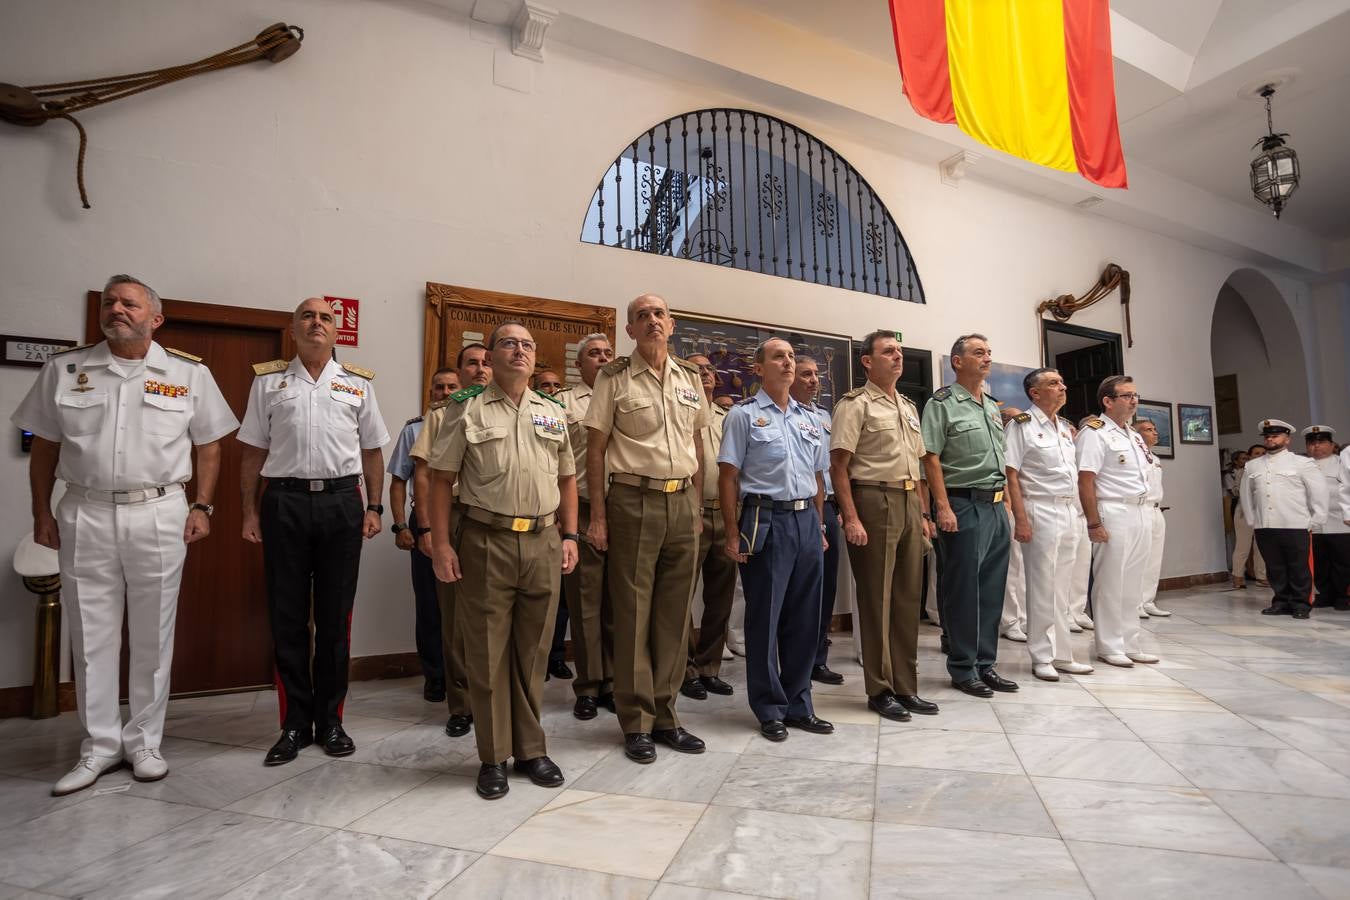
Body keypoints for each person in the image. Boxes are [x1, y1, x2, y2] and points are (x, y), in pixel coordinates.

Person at [14, 275, 237, 795]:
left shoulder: (186, 373)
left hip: (158, 510)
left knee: (153, 632)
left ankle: (144, 742)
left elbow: (209, 445)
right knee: (91, 634)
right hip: (84, 512)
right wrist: (40, 513)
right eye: (111, 302)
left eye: (129, 303)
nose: (117, 309)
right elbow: (45, 446)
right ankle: (98, 747)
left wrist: (203, 505)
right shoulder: (65, 370)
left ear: (155, 318)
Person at [426, 321, 579, 799]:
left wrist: (569, 534)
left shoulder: (551, 412)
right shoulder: (465, 408)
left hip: (542, 540)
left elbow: (568, 478)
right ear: (490, 356)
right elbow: (438, 479)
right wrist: (442, 544)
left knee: (534, 652)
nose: (520, 350)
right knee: (488, 653)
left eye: (528, 345)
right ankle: (493, 757)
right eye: (509, 343)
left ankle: (531, 749)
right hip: (485, 539)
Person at [239, 297, 390, 765]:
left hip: (343, 503)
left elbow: (372, 452)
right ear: (293, 328)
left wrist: (376, 507)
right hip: (283, 501)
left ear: (337, 331)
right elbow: (251, 452)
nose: (317, 322)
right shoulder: (268, 383)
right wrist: (248, 511)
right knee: (287, 618)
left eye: (326, 317)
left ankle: (331, 721)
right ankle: (293, 725)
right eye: (308, 316)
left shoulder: (357, 385)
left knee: (334, 619)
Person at [584, 294, 710, 764]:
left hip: (681, 502)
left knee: (675, 618)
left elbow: (696, 441)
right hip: (633, 499)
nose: (652, 320)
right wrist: (598, 516)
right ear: (630, 331)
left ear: (671, 325)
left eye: (659, 314)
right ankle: (635, 722)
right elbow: (596, 449)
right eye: (642, 316)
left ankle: (666, 715)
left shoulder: (689, 378)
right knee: (633, 614)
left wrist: (695, 505)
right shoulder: (613, 378)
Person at [719, 338, 832, 740]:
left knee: (806, 618)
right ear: (758, 368)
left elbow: (819, 477)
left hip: (806, 522)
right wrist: (732, 532)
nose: (787, 363)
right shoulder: (743, 416)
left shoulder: (810, 418)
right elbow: (729, 477)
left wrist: (819, 526)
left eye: (790, 357)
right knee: (765, 617)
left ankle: (800, 703)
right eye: (777, 357)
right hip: (764, 519)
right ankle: (769, 707)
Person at [831, 330, 938, 720]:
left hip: (910, 501)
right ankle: (880, 689)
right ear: (867, 361)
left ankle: (907, 687)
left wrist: (924, 514)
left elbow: (921, 467)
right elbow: (838, 466)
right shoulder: (854, 404)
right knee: (877, 599)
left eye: (899, 351)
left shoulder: (908, 406)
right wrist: (851, 517)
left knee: (908, 599)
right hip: (873, 500)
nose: (897, 356)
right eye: (888, 351)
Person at [921, 334, 1016, 698]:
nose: (987, 357)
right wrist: (941, 507)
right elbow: (930, 457)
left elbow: (1000, 460)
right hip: (962, 504)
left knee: (992, 590)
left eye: (989, 352)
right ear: (957, 362)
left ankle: (985, 663)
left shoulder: (991, 406)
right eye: (979, 352)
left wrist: (1006, 502)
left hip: (994, 506)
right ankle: (963, 667)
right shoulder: (942, 403)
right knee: (963, 591)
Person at [410, 343, 492, 739]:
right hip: (457, 514)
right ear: (460, 372)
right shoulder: (445, 412)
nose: (480, 369)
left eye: (485, 362)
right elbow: (424, 475)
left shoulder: (523, 408)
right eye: (472, 363)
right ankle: (461, 704)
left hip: (503, 521)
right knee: (457, 618)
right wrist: (427, 529)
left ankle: (498, 699)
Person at [1003, 368, 1093, 682]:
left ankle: (1062, 654)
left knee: (1063, 588)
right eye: (1054, 383)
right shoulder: (1021, 426)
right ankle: (1041, 655)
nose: (1063, 387)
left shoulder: (1065, 429)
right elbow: (1010, 473)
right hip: (1039, 509)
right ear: (1034, 393)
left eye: (1062, 381)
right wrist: (1021, 518)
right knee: (1041, 586)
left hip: (1068, 510)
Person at [387, 367, 459, 702]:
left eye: (451, 387)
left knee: (464, 605)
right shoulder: (414, 429)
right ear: (430, 392)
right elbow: (400, 480)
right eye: (438, 388)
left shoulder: (469, 420)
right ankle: (435, 676)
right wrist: (402, 525)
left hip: (463, 518)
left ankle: (462, 675)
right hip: (426, 518)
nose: (444, 393)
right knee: (430, 604)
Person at [1075, 376, 1157, 667]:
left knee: (1133, 582)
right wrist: (1094, 522)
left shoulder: (1133, 435)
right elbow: (1086, 480)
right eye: (1126, 396)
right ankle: (1109, 645)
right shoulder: (1095, 433)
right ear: (1107, 401)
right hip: (1113, 511)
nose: (1133, 400)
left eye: (1136, 395)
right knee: (1111, 582)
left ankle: (1129, 641)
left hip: (1140, 511)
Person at [557, 333, 618, 719]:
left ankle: (614, 682)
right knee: (585, 603)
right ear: (579, 364)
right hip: (579, 507)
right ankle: (589, 685)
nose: (602, 358)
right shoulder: (562, 402)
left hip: (624, 506)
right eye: (594, 354)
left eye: (608, 353)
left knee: (620, 602)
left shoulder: (624, 395)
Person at [681, 354, 740, 701]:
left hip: (726, 513)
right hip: (690, 512)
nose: (704, 373)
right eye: (695, 368)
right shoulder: (680, 412)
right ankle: (685, 668)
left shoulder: (727, 417)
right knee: (681, 597)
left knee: (721, 597)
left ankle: (709, 667)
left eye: (708, 369)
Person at [790, 355, 845, 685]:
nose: (814, 380)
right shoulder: (782, 415)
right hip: (797, 506)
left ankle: (817, 658)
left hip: (827, 506)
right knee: (798, 588)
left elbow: (833, 467)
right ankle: (794, 656)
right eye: (806, 374)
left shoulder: (825, 416)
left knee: (826, 587)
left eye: (816, 375)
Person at [1241, 419, 1327, 619]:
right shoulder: (1252, 466)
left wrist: (1317, 518)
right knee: (1275, 566)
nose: (1270, 439)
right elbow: (1246, 495)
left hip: (1295, 523)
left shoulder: (1302, 463)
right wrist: (1252, 520)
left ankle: (1300, 603)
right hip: (1265, 525)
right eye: (1267, 436)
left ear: (1287, 439)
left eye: (1275, 435)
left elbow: (1319, 492)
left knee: (1298, 567)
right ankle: (1280, 601)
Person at [1304, 427, 1349, 610]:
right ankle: (1325, 594)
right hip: (1314, 524)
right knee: (1320, 563)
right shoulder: (1303, 466)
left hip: (1339, 522)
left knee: (1343, 563)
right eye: (1312, 443)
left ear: (1332, 445)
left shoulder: (1341, 464)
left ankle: (1343, 596)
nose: (1317, 446)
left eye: (1321, 442)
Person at [1134, 418, 1172, 618]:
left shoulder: (1154, 458)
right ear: (1137, 435)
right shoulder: (1135, 456)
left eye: (1155, 429)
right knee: (1141, 557)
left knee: (1154, 559)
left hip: (1157, 510)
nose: (1155, 433)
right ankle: (1136, 603)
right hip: (1142, 508)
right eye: (1149, 430)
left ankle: (1148, 600)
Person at [998, 405, 1028, 643]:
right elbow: (1009, 474)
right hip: (1011, 506)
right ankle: (1009, 620)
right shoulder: (1008, 435)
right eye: (1015, 418)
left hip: (1030, 506)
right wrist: (1009, 502)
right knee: (1012, 568)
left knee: (1025, 570)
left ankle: (1024, 617)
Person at [1230, 449, 1268, 588]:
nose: (1261, 455)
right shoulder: (1243, 471)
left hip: (1263, 512)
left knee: (1262, 546)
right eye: (1257, 453)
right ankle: (1238, 576)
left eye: (1263, 452)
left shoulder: (1268, 470)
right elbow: (1236, 491)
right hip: (1244, 512)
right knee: (1243, 546)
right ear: (1250, 456)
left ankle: (1261, 576)